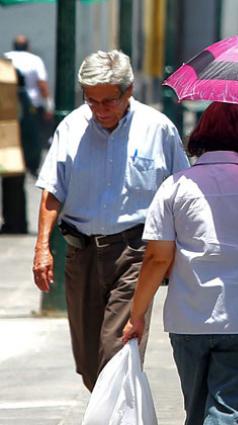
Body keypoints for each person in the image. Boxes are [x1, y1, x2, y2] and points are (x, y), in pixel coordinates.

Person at [122, 102, 238, 425]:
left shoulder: (175, 187)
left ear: (201, 134)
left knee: (196, 410)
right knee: (227, 411)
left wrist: (137, 314)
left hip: (188, 318)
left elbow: (157, 257)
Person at [32, 50, 189, 391]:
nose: (101, 110)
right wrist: (42, 246)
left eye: (109, 101)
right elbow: (52, 192)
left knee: (117, 352)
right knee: (90, 364)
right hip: (82, 253)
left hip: (135, 253)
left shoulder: (157, 129)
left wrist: (179, 254)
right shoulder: (72, 127)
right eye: (92, 101)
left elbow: (182, 191)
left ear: (128, 90)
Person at [4, 34, 52, 175]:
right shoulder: (34, 60)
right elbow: (42, 84)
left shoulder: (6, 58)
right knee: (32, 137)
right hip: (32, 106)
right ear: (28, 46)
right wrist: (48, 104)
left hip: (9, 106)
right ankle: (31, 165)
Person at [0, 65, 32, 235]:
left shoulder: (16, 99)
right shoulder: (20, 97)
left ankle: (16, 223)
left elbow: (27, 129)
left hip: (15, 152)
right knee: (13, 188)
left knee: (13, 188)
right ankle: (15, 223)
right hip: (14, 152)